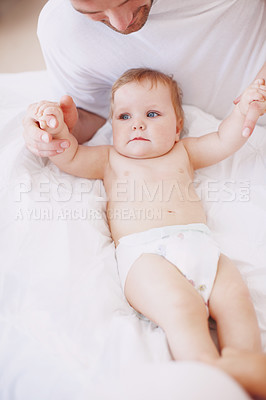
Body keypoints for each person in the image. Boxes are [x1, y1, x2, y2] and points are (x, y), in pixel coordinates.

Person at [32, 68, 265, 368]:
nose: (137, 124)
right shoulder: (108, 159)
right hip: (145, 256)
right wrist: (57, 132)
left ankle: (246, 361)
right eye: (124, 117)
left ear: (178, 126)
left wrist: (244, 109)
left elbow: (224, 139)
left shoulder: (184, 152)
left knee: (236, 299)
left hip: (202, 248)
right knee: (182, 308)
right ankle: (207, 369)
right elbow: (70, 156)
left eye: (152, 114)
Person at [22, 0, 266, 157]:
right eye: (94, 13)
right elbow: (91, 116)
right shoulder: (62, 30)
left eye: (126, 0)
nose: (121, 23)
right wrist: (56, 130)